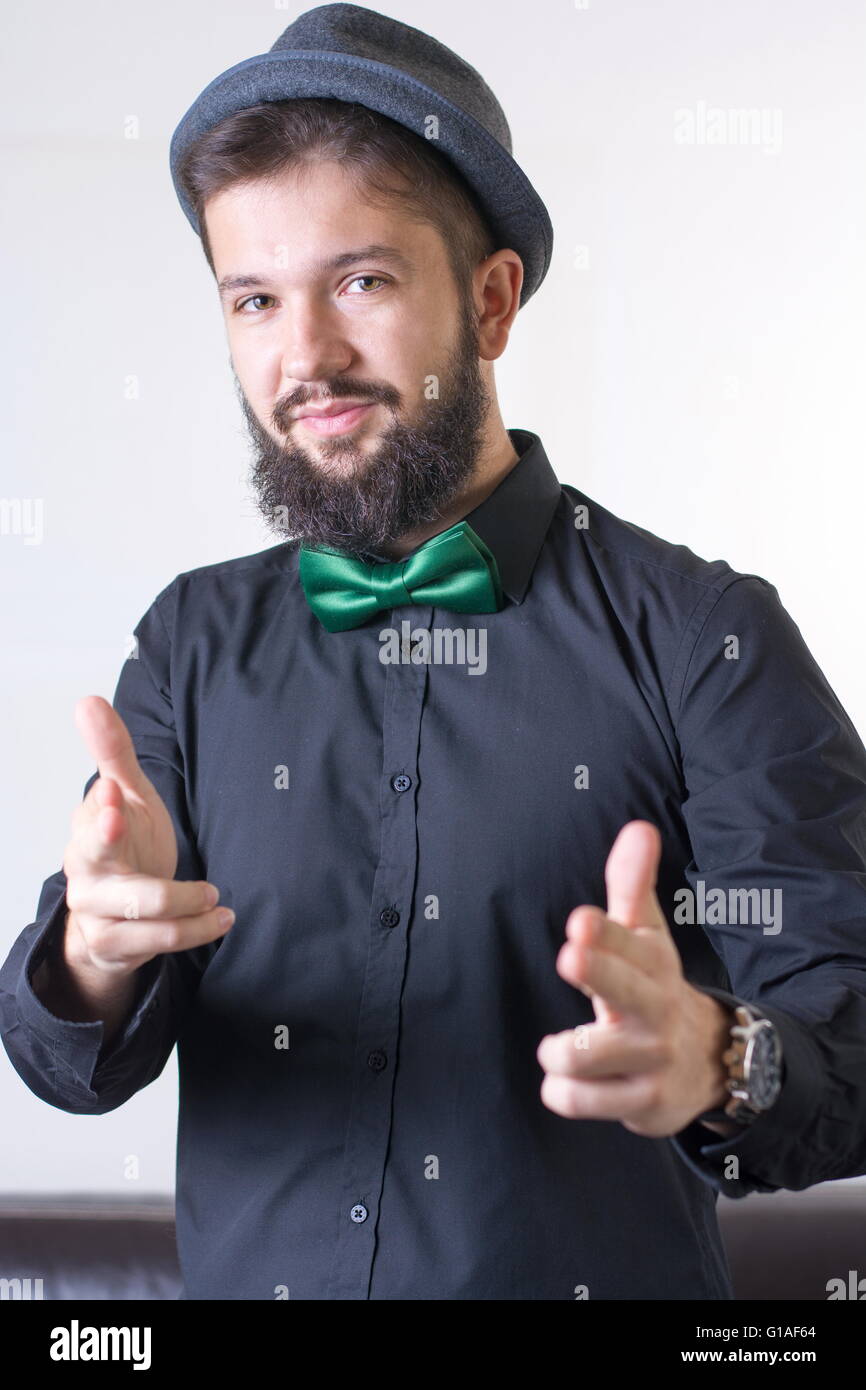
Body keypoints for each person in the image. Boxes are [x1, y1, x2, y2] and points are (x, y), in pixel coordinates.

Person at [3, 3, 866, 1301]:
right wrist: (95, 955)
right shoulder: (185, 647)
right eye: (253, 298)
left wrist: (713, 1053)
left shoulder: (706, 635)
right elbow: (71, 1060)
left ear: (491, 296)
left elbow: (852, 1043)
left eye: (360, 279)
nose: (303, 355)